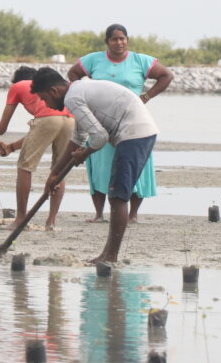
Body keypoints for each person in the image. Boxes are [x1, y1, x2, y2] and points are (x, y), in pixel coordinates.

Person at [31, 67, 159, 264]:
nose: (45, 104)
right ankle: (108, 254)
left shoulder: (72, 98)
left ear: (54, 91)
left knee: (117, 196)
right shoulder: (78, 91)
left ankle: (110, 256)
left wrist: (86, 152)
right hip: (136, 131)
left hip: (134, 132)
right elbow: (78, 137)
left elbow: (99, 137)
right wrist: (55, 174)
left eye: (44, 98)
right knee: (116, 195)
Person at [68, 24, 173, 223]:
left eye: (122, 38)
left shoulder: (140, 60)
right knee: (100, 166)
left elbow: (166, 75)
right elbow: (73, 74)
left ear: (127, 40)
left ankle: (132, 215)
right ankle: (99, 214)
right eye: (114, 39)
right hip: (102, 122)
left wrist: (146, 96)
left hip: (133, 121)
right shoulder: (94, 60)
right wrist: (83, 90)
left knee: (134, 165)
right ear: (107, 42)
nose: (119, 43)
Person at [0, 66, 74, 231]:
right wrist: (11, 147)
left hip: (47, 120)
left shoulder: (18, 86)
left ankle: (20, 219)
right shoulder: (48, 88)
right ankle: (51, 222)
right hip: (71, 120)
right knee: (59, 168)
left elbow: (1, 129)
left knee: (24, 168)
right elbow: (38, 130)